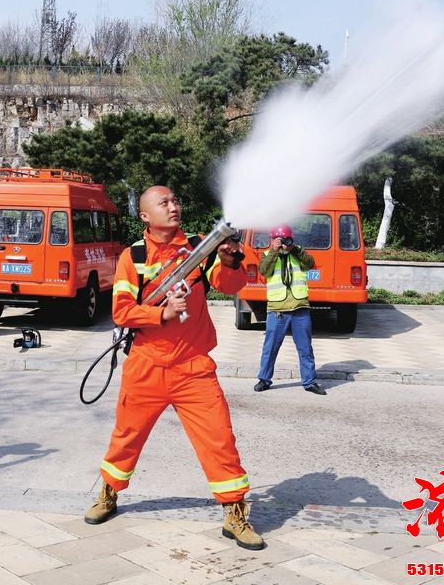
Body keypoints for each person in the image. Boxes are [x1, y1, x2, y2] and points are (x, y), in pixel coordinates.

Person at [84, 186, 266, 551]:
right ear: (145, 216)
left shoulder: (201, 247)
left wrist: (231, 262)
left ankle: (235, 513)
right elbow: (121, 311)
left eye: (176, 200)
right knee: (126, 437)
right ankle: (108, 493)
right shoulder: (132, 255)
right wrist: (160, 313)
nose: (174, 206)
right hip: (146, 364)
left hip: (193, 367)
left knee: (220, 441)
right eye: (163, 203)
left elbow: (228, 283)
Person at [253, 225, 327, 395]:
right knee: (270, 348)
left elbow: (311, 264)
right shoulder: (267, 255)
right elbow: (264, 270)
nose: (284, 243)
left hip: (300, 309)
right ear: (272, 240)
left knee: (305, 348)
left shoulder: (298, 253)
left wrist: (295, 250)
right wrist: (274, 250)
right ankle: (264, 379)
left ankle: (309, 382)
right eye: (279, 239)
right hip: (277, 310)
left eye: (286, 239)